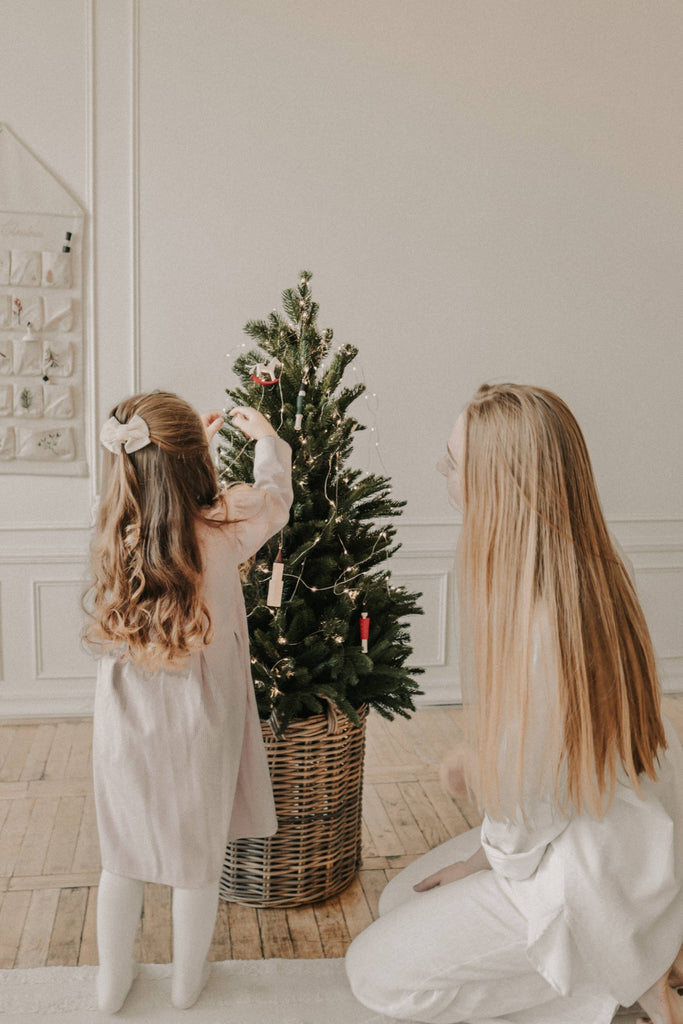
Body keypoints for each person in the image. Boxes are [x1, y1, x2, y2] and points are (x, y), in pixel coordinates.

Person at [345, 383, 683, 1024]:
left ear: (499, 485)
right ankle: (633, 961)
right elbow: (556, 772)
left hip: (586, 875)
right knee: (398, 902)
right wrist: (485, 818)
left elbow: (533, 808)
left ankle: (618, 983)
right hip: (622, 846)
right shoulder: (597, 572)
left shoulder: (540, 627)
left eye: (453, 463)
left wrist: (488, 837)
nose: (446, 475)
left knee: (374, 974)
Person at [85, 392, 292, 1013]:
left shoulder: (113, 524)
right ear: (193, 461)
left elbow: (153, 477)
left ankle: (110, 981)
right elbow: (275, 498)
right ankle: (184, 983)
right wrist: (267, 442)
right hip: (205, 716)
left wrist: (180, 448)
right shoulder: (226, 523)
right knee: (196, 858)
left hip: (125, 719)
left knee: (120, 856)